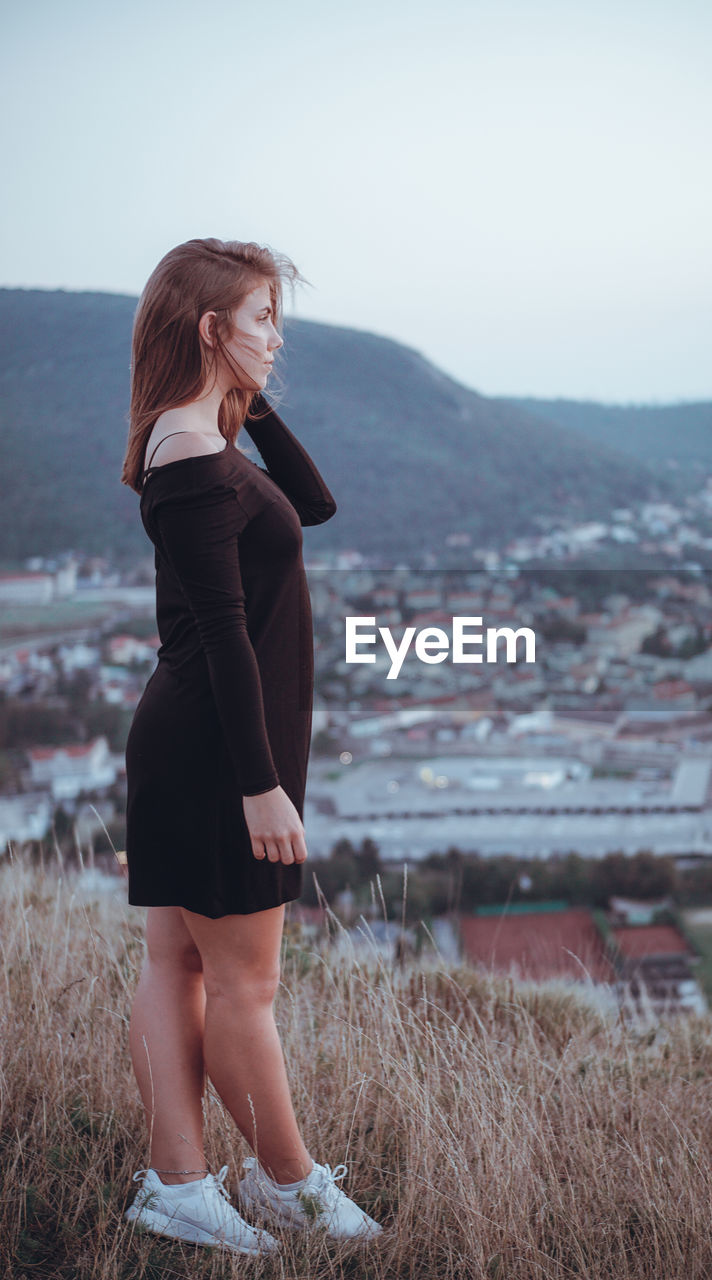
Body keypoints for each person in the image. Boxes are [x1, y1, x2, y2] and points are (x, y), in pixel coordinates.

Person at [119, 238, 381, 1256]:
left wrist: (249, 389)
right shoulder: (187, 454)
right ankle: (291, 1184)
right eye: (263, 320)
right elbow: (225, 632)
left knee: (179, 963)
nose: (280, 339)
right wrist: (260, 784)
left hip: (194, 743)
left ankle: (178, 1184)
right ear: (209, 327)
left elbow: (312, 503)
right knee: (244, 985)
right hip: (220, 754)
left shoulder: (196, 439)